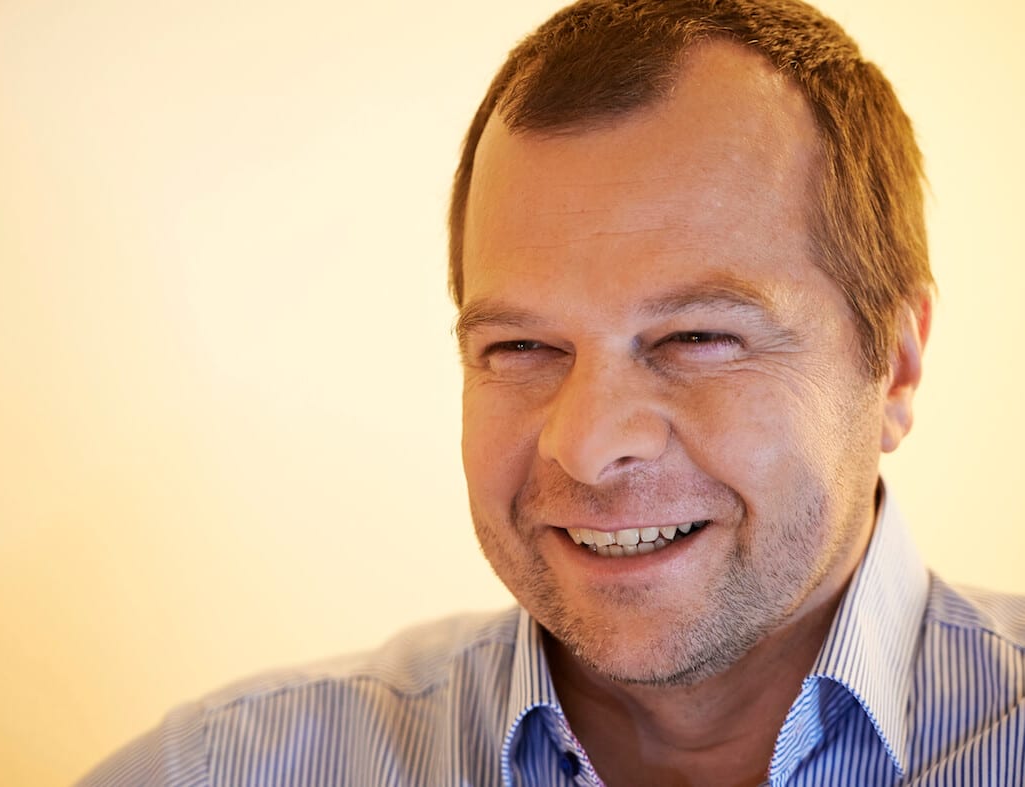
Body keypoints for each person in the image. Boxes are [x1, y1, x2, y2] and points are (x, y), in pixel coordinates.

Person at [78, 1, 1025, 785]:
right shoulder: (215, 770)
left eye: (696, 337)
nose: (587, 444)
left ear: (894, 362)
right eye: (521, 346)